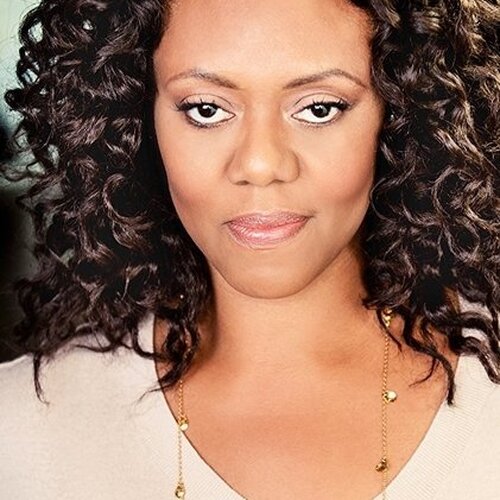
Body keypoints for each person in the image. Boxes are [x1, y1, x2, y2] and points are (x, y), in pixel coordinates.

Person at [1, 0, 499, 498]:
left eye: (319, 108)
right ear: (138, 120)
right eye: (206, 109)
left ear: (401, 111)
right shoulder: (22, 429)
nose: (260, 164)